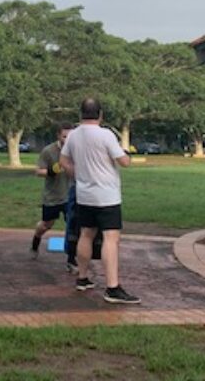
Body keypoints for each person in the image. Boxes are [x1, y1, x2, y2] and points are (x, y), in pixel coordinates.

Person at [60, 97, 140, 304]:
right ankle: (112, 287)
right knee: (111, 238)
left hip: (84, 194)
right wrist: (124, 151)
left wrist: (77, 175)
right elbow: (124, 162)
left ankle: (82, 277)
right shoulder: (106, 135)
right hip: (107, 196)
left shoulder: (74, 135)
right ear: (100, 114)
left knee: (86, 234)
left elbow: (63, 160)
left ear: (81, 114)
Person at [31, 123, 76, 270]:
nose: (67, 139)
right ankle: (35, 242)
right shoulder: (49, 151)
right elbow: (38, 171)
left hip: (71, 195)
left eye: (70, 136)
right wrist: (51, 170)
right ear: (58, 136)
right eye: (64, 136)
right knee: (46, 224)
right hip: (53, 195)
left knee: (73, 226)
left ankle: (71, 259)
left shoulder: (77, 150)